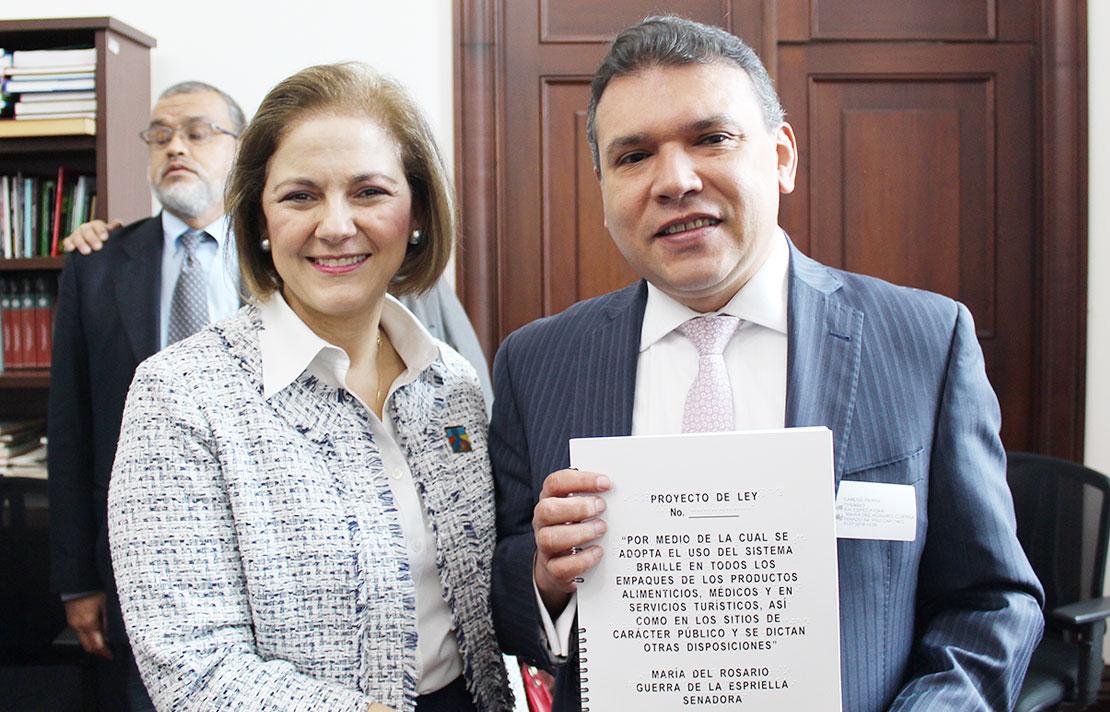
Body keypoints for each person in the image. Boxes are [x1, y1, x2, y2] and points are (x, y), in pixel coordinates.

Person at [489, 15, 1044, 712]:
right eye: (633, 156)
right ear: (603, 191)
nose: (676, 180)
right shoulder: (536, 364)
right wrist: (542, 576)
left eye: (711, 139)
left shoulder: (924, 341)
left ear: (781, 157)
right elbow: (503, 599)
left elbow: (992, 601)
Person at [107, 63, 512, 712]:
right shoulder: (178, 397)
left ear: (417, 214)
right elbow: (195, 671)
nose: (335, 224)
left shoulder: (452, 385)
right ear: (261, 221)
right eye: (300, 196)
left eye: (370, 192)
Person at [48, 80, 246, 711]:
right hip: (136, 552)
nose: (175, 147)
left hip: (262, 532)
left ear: (241, 151)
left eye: (196, 131)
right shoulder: (99, 263)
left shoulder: (284, 254)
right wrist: (76, 581)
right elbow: (72, 425)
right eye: (159, 135)